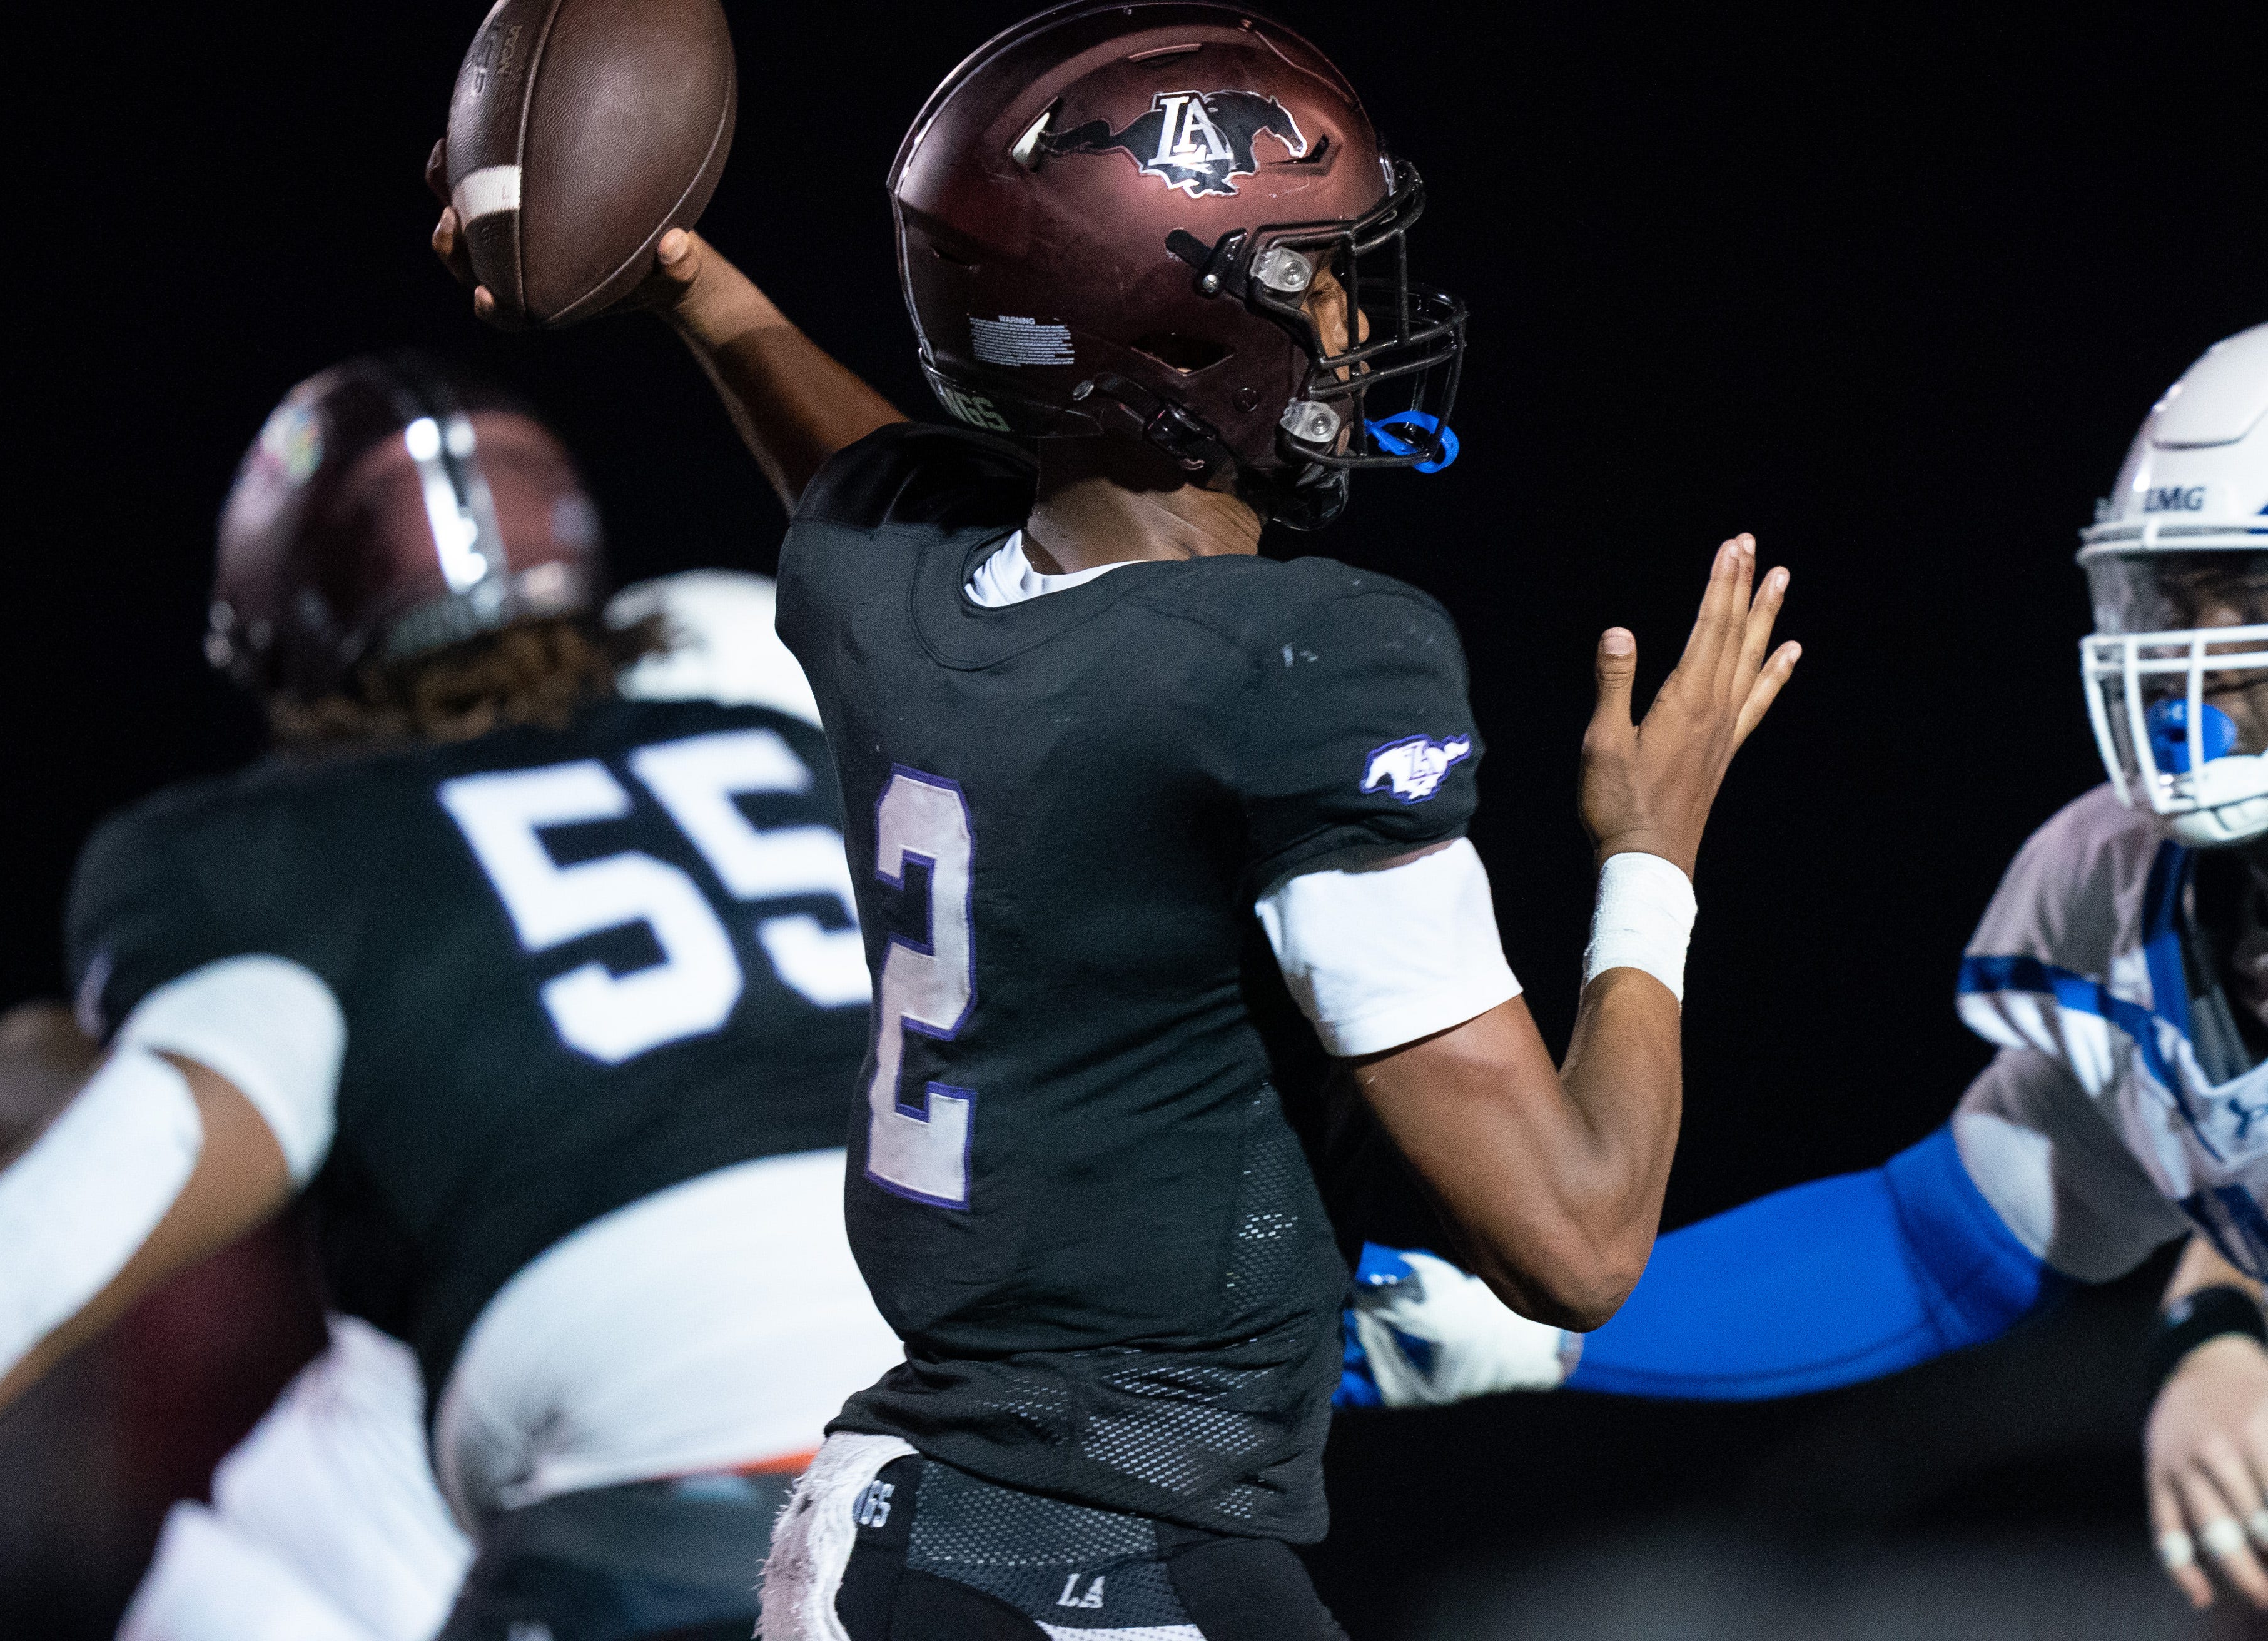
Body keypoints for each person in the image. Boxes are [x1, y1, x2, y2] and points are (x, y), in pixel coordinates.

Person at [435, 4, 1798, 1635]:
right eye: (1309, 277)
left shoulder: (900, 601)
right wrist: (1653, 859)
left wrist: (692, 289)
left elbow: (862, 480)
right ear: (1174, 333)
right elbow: (1577, 1243)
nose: (1355, 314)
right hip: (1096, 1566)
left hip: (901, 1528)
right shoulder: (1302, 668)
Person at [0, 355, 902, 1641]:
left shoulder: (277, 857)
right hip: (1050, 1416)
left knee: (234, 1591)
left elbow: (43, 1245)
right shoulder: (767, 689)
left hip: (669, 1500)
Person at [1344, 324, 2268, 1617]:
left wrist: (2226, 1327)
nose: (2199, 658)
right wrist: (1517, 1330)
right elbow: (1940, 1240)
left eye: (2248, 600)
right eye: (2180, 597)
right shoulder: (2133, 894)